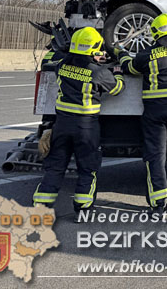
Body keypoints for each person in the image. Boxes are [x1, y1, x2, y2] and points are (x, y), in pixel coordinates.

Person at [32, 27, 124, 222]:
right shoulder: (98, 72)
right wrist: (116, 71)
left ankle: (41, 208)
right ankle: (83, 210)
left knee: (55, 167)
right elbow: (117, 88)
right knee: (87, 168)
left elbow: (59, 58)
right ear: (93, 50)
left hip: (62, 125)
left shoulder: (62, 66)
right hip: (86, 128)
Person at [119, 13, 167, 215]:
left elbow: (130, 68)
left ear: (155, 33)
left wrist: (121, 53)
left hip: (155, 113)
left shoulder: (147, 54)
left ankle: (157, 203)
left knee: (156, 156)